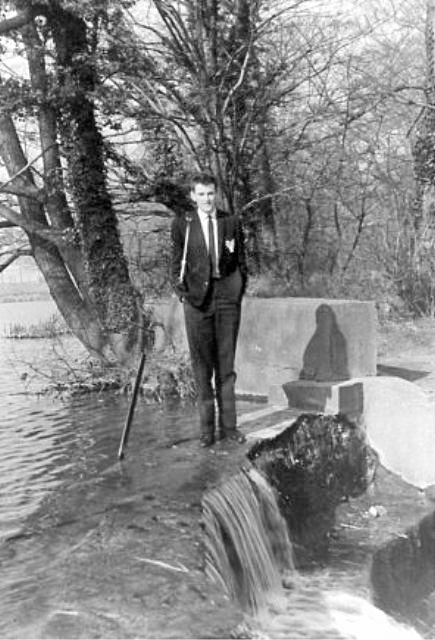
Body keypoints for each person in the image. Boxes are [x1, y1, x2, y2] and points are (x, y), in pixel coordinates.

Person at [171, 172, 248, 447]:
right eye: (201, 194)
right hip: (197, 302)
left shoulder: (231, 221)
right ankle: (207, 431)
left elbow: (241, 260)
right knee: (202, 367)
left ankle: (229, 428)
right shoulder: (183, 224)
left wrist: (237, 291)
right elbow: (175, 262)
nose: (207, 199)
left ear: (216, 194)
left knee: (226, 367)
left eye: (210, 193)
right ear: (193, 196)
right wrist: (184, 295)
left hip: (227, 300)